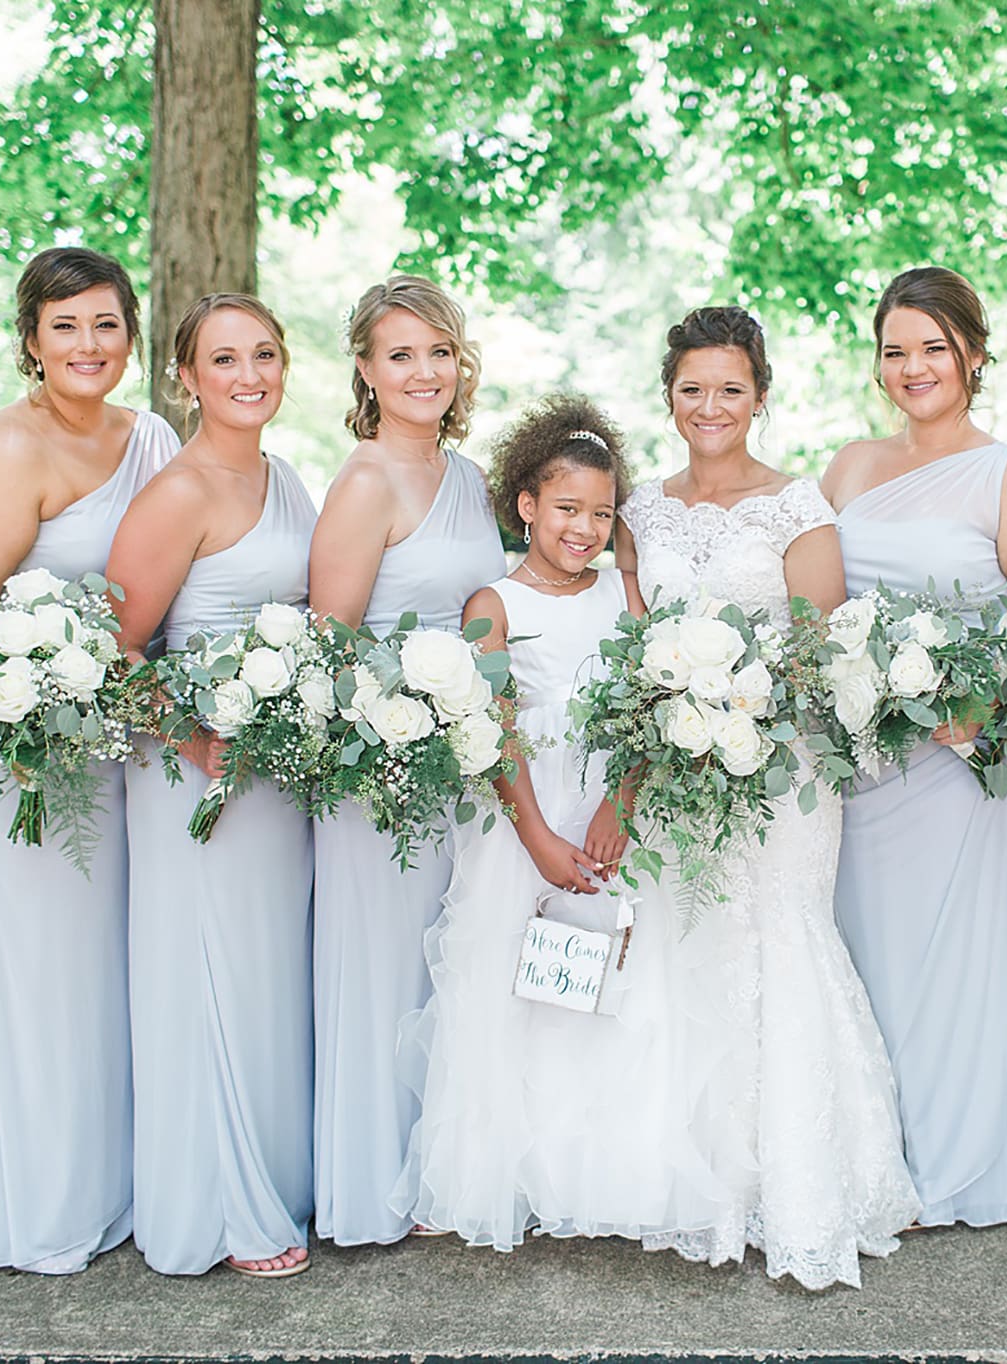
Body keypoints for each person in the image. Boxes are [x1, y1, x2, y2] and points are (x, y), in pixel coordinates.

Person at [617, 306, 920, 1289]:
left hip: (782, 769)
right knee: (689, 946)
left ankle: (800, 1193)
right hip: (676, 764)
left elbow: (818, 648)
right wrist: (673, 714)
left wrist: (736, 704)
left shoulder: (796, 506)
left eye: (730, 388)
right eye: (691, 388)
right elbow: (631, 639)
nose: (709, 406)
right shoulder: (640, 511)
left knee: (780, 939)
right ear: (669, 394)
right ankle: (702, 1189)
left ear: (759, 395)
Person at [388, 396, 728, 1250]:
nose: (584, 529)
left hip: (613, 815)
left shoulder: (625, 592)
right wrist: (537, 835)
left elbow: (655, 698)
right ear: (528, 505)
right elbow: (490, 729)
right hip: (528, 824)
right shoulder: (494, 602)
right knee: (519, 988)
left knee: (620, 984)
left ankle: (609, 1171)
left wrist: (624, 800)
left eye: (602, 514)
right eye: (567, 508)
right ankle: (512, 1173)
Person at [0, 246, 177, 1273]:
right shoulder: (2, 451)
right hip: (22, 750)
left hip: (120, 739)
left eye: (106, 323)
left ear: (131, 336)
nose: (88, 344)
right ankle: (45, 1203)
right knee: (48, 968)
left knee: (116, 963)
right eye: (64, 325)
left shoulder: (151, 438)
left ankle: (120, 1182)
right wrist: (45, 702)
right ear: (30, 339)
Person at [821, 266, 1007, 1229]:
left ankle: (954, 1163)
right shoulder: (849, 467)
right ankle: (873, 1159)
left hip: (960, 770)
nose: (913, 367)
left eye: (934, 347)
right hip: (861, 763)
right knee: (866, 956)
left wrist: (977, 701)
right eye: (896, 351)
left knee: (949, 966)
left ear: (972, 352)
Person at [104, 293, 317, 1278]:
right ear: (185, 377)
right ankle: (221, 1207)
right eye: (223, 359)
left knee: (267, 973)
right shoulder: (178, 492)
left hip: (276, 771)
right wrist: (197, 742)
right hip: (197, 775)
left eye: (263, 354)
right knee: (206, 973)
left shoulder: (287, 477)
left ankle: (275, 1175)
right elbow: (117, 650)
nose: (248, 375)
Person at [304, 277, 504, 1247]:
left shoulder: (469, 477)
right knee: (381, 972)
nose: (423, 372)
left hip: (457, 767)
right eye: (400, 355)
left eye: (438, 352)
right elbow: (330, 643)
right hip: (376, 773)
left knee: (444, 967)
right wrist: (401, 724)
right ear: (366, 368)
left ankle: (437, 1173)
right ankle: (366, 1187)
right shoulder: (365, 482)